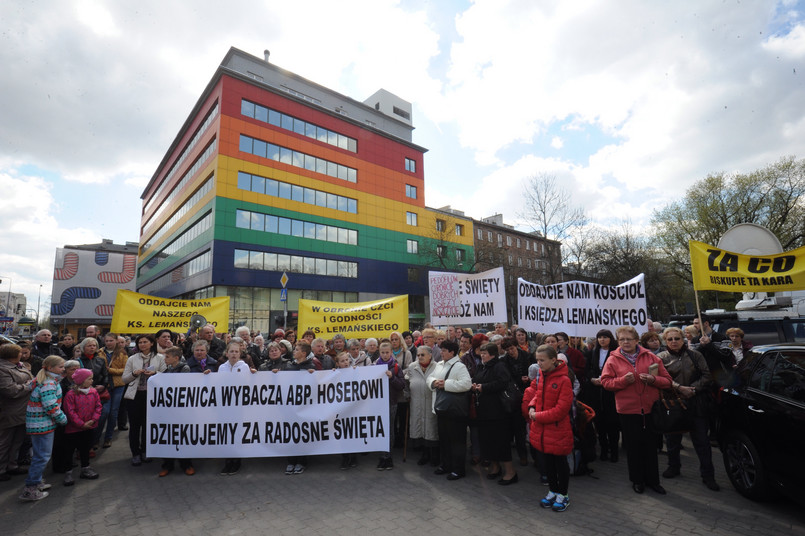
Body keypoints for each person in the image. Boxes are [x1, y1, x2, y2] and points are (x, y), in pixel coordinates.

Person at [601, 326, 673, 495]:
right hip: (628, 411)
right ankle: (637, 481)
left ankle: (653, 481)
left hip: (650, 410)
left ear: (636, 340)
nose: (625, 342)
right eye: (622, 339)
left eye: (628, 339)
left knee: (650, 447)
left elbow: (668, 381)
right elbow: (605, 383)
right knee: (633, 448)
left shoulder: (651, 357)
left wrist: (653, 379)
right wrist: (622, 381)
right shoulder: (612, 360)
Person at [657, 327, 719, 491]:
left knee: (702, 442)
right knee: (672, 440)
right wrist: (679, 389)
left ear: (683, 338)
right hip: (673, 402)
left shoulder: (695, 355)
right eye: (670, 339)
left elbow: (707, 375)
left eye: (677, 338)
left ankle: (708, 475)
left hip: (695, 402)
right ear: (665, 341)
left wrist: (692, 389)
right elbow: (659, 380)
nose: (674, 342)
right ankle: (674, 466)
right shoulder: (660, 358)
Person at [528, 344, 574, 512]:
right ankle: (553, 491)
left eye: (542, 360)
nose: (539, 364)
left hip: (557, 430)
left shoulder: (564, 380)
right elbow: (537, 395)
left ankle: (563, 494)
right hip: (542, 429)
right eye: (537, 360)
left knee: (560, 464)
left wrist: (538, 416)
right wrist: (532, 406)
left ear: (553, 360)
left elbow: (561, 410)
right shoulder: (541, 375)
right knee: (548, 464)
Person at [20, 355, 67, 501]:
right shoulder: (48, 383)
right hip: (42, 425)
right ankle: (30, 489)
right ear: (51, 368)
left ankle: (37, 481)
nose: (63, 369)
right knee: (42, 457)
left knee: (40, 455)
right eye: (60, 367)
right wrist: (62, 418)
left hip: (40, 424)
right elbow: (50, 405)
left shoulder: (45, 380)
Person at [205, 341, 256, 476]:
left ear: (240, 354)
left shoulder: (244, 367)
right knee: (226, 431)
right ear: (226, 353)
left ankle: (236, 459)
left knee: (237, 431)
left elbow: (249, 385)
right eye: (231, 352)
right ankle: (228, 459)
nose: (234, 354)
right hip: (224, 406)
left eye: (236, 352)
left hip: (238, 406)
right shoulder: (222, 367)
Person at [472, 342, 518, 485]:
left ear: (492, 354)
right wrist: (474, 385)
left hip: (498, 411)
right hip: (484, 410)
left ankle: (510, 472)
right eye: (481, 353)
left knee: (500, 441)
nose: (482, 355)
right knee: (488, 440)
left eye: (485, 353)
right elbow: (476, 378)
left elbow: (503, 383)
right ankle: (495, 467)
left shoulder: (499, 366)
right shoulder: (482, 365)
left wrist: (484, 387)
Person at [429, 340, 472, 481]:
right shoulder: (440, 364)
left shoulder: (459, 366)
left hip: (455, 410)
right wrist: (433, 383)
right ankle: (446, 464)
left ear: (452, 352)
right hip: (442, 408)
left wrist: (445, 384)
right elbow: (430, 378)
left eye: (444, 350)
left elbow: (466, 384)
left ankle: (458, 469)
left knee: (457, 441)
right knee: (444, 439)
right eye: (441, 350)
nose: (441, 352)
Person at [122, 334, 166, 466]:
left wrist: (154, 374)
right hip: (135, 396)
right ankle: (135, 453)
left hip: (152, 397)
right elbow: (124, 378)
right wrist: (134, 373)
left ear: (152, 343)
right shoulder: (132, 359)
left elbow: (167, 375)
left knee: (148, 426)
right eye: (140, 342)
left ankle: (146, 451)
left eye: (145, 342)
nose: (142, 344)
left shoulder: (160, 358)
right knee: (134, 426)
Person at [582, 329, 621, 463]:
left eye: (605, 337)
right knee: (600, 423)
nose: (602, 340)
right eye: (599, 337)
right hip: (596, 393)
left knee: (613, 424)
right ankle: (604, 449)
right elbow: (587, 371)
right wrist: (592, 379)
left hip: (611, 393)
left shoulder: (617, 353)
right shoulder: (592, 353)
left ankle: (614, 451)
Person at [61, 368, 102, 486]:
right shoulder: (71, 394)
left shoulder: (93, 392)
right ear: (81, 380)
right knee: (69, 450)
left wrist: (93, 420)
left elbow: (98, 407)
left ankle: (85, 467)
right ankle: (68, 472)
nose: (92, 381)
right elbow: (70, 411)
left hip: (89, 426)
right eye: (89, 379)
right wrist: (81, 424)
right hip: (73, 429)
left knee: (86, 448)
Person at [159, 347, 195, 477]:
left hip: (181, 409)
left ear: (176, 358)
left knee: (183, 436)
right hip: (169, 409)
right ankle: (167, 465)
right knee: (169, 436)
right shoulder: (167, 369)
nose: (165, 359)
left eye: (167, 357)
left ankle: (186, 464)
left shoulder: (184, 368)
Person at [0, 344, 34, 482]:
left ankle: (12, 465)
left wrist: (28, 384)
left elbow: (31, 379)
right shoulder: (2, 369)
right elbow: (10, 390)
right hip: (9, 411)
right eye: (20, 352)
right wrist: (28, 386)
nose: (23, 354)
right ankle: (1, 469)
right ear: (13, 354)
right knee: (4, 442)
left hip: (22, 410)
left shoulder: (20, 365)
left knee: (17, 440)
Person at [281, 342, 316, 474]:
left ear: (304, 353)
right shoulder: (289, 366)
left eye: (296, 350)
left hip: (304, 407)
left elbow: (318, 383)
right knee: (291, 434)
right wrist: (275, 374)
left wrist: (314, 375)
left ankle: (301, 461)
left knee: (301, 434)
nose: (294, 352)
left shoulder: (311, 366)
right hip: (290, 407)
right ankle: (291, 461)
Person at [405, 345, 439, 466]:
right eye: (418, 355)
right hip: (416, 402)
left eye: (422, 355)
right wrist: (407, 394)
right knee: (420, 428)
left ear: (430, 355)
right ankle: (425, 455)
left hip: (431, 403)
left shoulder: (437, 367)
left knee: (432, 429)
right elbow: (406, 381)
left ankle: (435, 455)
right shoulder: (412, 367)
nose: (420, 357)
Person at [375, 341, 405, 470]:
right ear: (379, 353)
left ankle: (388, 456)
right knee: (380, 429)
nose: (385, 355)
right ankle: (382, 456)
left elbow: (401, 385)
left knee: (390, 430)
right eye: (383, 352)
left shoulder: (396, 367)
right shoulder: (374, 366)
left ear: (391, 352)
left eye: (387, 352)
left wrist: (392, 377)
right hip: (377, 404)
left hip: (391, 403)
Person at [76, 336, 110, 450]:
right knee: (86, 420)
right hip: (84, 394)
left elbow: (106, 375)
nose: (92, 348)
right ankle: (85, 445)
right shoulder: (77, 361)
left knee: (102, 416)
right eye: (89, 345)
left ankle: (95, 440)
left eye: (94, 345)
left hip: (99, 393)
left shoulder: (100, 360)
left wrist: (103, 385)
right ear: (83, 347)